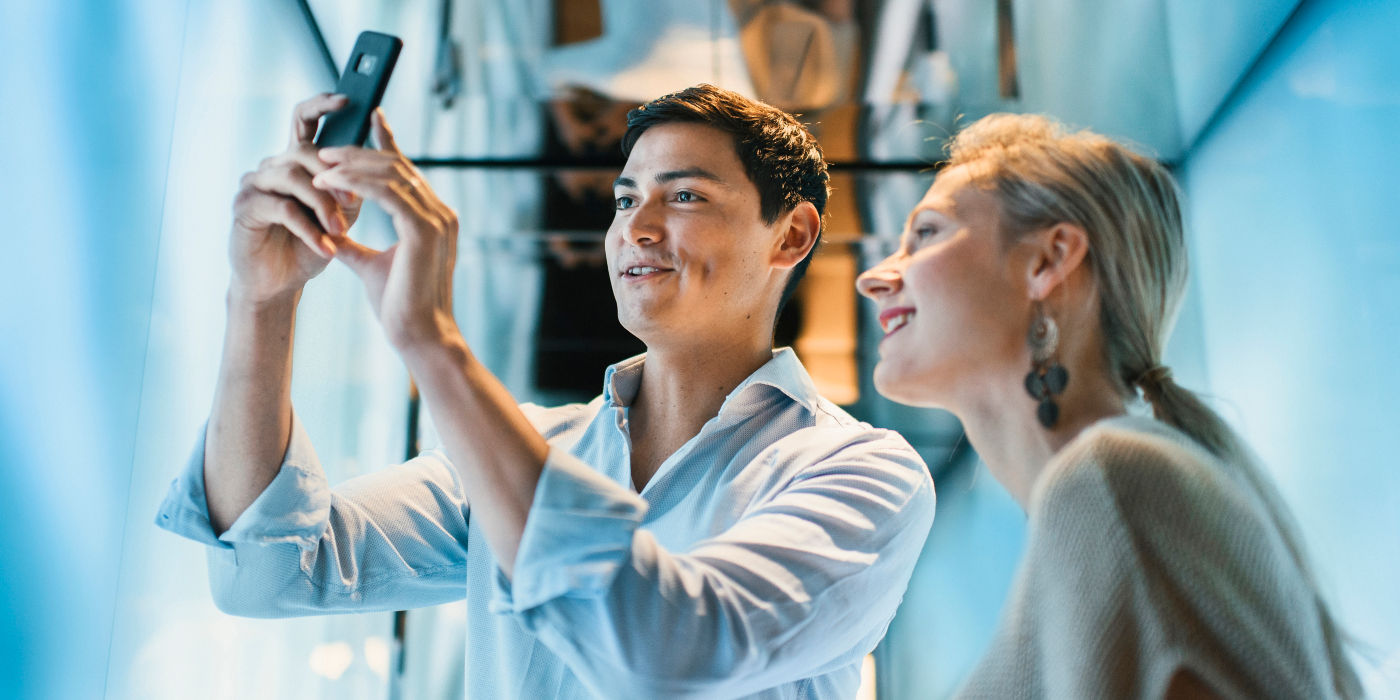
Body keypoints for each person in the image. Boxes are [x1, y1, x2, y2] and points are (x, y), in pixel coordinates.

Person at [157, 84, 936, 699]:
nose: (636, 227)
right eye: (625, 199)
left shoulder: (862, 471)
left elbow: (666, 653)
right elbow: (268, 573)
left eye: (685, 196)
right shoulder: (527, 450)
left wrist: (433, 343)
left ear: (792, 235)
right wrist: (261, 301)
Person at [855, 113, 1359, 699]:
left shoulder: (1109, 478)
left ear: (1049, 261)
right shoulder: (1112, 484)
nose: (874, 278)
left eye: (926, 234)